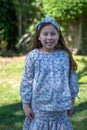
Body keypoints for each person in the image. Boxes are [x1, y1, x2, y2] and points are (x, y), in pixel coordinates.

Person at [20, 16, 79, 130]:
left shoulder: (64, 56)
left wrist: (71, 102)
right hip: (39, 109)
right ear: (38, 37)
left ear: (58, 36)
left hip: (61, 109)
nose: (49, 37)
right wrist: (26, 105)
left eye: (53, 34)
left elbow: (72, 80)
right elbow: (27, 81)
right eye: (45, 34)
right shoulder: (33, 56)